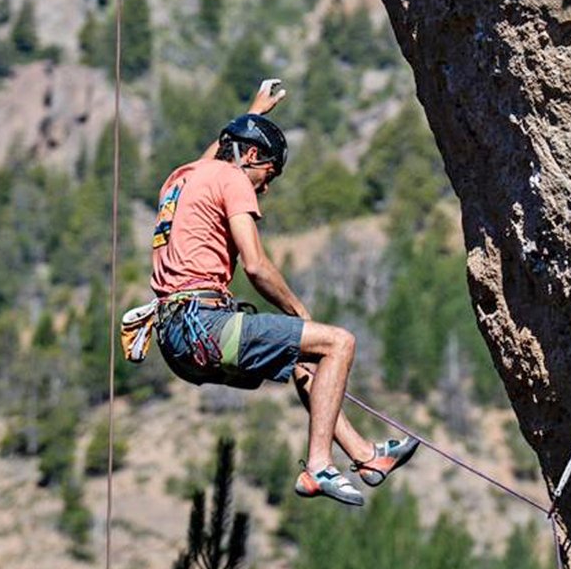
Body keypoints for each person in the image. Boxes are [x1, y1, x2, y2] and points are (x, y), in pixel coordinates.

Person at [149, 79, 418, 506]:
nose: (265, 187)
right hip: (205, 325)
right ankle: (318, 467)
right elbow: (255, 265)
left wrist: (254, 113)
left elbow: (215, 156)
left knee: (304, 360)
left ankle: (367, 457)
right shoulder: (233, 178)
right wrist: (299, 312)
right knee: (337, 342)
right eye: (267, 174)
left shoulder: (180, 180)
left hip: (174, 337)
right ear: (251, 157)